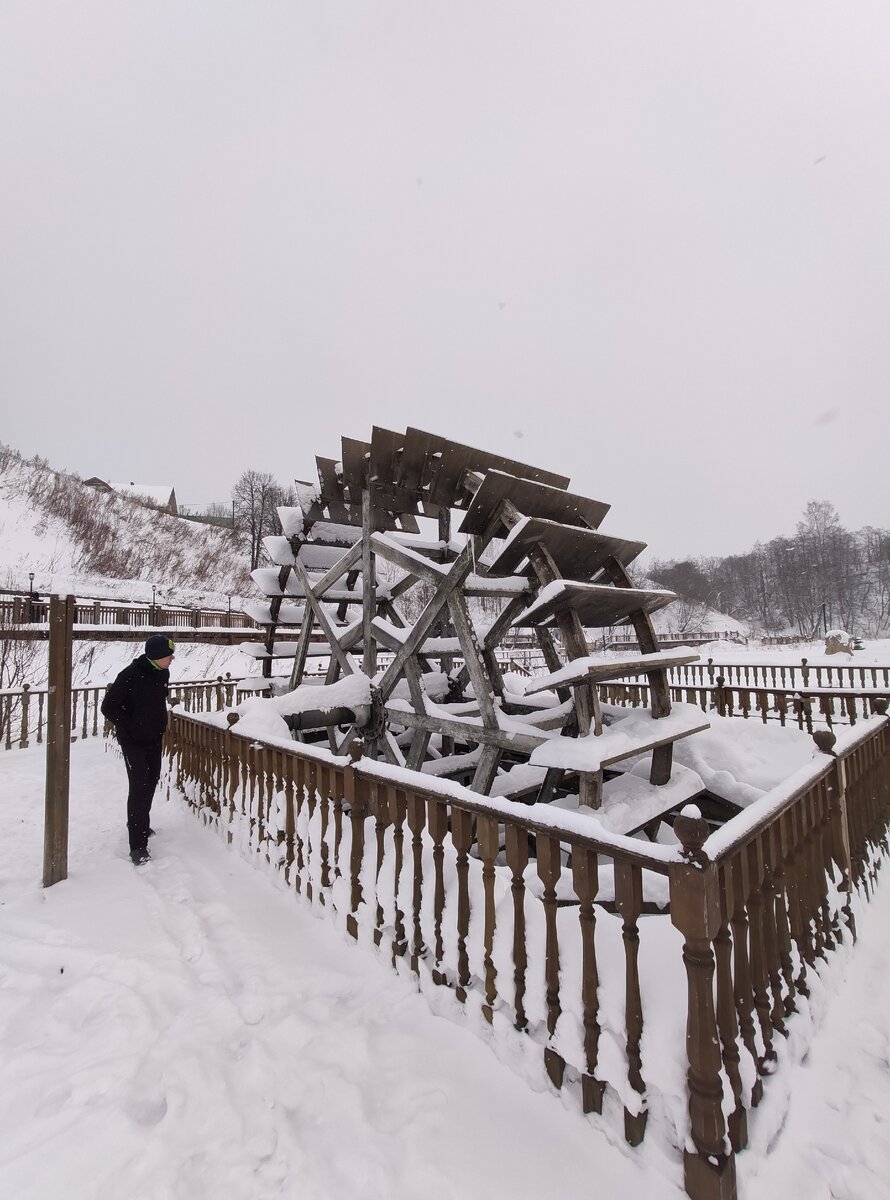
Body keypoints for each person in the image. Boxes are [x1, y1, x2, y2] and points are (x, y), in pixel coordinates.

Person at [101, 634, 175, 865]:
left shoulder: (162, 672)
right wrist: (131, 726)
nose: (172, 658)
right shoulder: (130, 675)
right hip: (133, 741)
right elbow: (108, 707)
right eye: (168, 655)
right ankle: (137, 846)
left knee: (151, 780)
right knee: (139, 785)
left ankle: (140, 823)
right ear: (155, 656)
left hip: (153, 738)